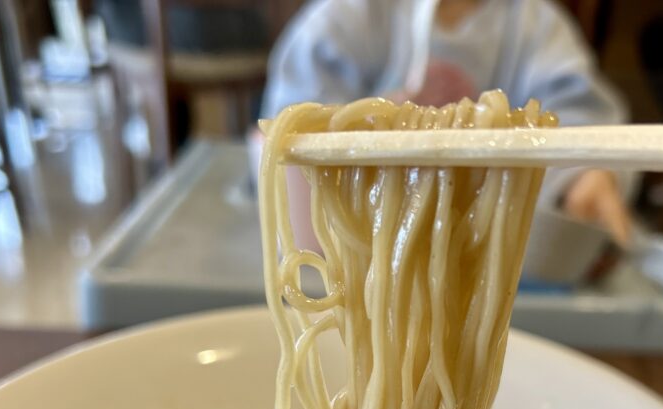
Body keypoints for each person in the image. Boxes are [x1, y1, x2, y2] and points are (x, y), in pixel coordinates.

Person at [259, 0, 633, 247]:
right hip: (347, 249)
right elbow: (297, 128)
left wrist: (581, 174)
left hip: (495, 243)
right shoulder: (350, 15)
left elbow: (576, 115)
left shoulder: (535, 25)